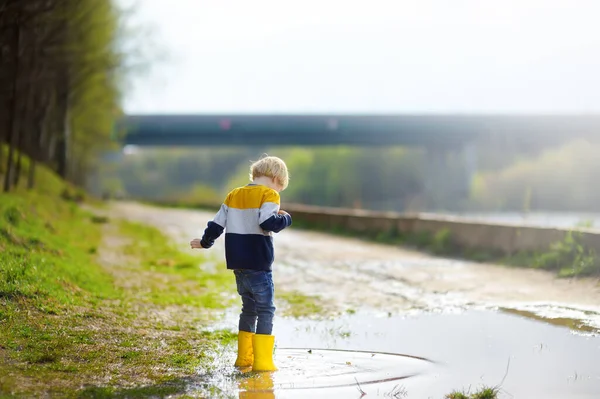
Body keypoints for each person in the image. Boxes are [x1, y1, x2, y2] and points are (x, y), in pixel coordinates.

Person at [190, 155, 292, 372]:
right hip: (259, 264)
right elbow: (268, 222)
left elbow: (216, 224)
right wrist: (285, 218)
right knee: (266, 309)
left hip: (238, 266)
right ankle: (263, 362)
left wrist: (205, 243)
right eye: (280, 186)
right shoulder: (269, 194)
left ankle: (244, 358)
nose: (279, 191)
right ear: (276, 178)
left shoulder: (234, 195)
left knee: (248, 309)